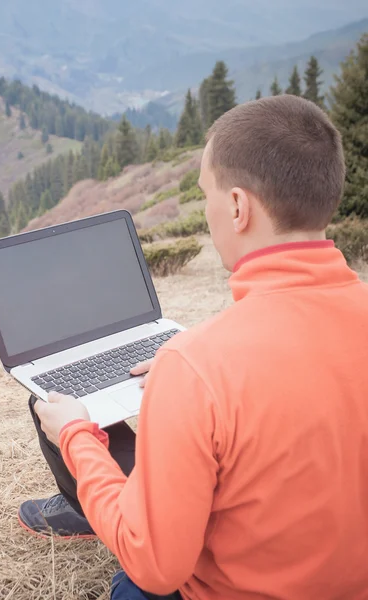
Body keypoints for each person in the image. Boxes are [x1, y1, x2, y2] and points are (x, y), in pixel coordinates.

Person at [18, 95, 368, 599]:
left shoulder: (197, 365)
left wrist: (75, 434)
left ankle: (94, 503)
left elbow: (156, 566)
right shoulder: (199, 361)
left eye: (206, 194)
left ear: (237, 207)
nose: (207, 212)